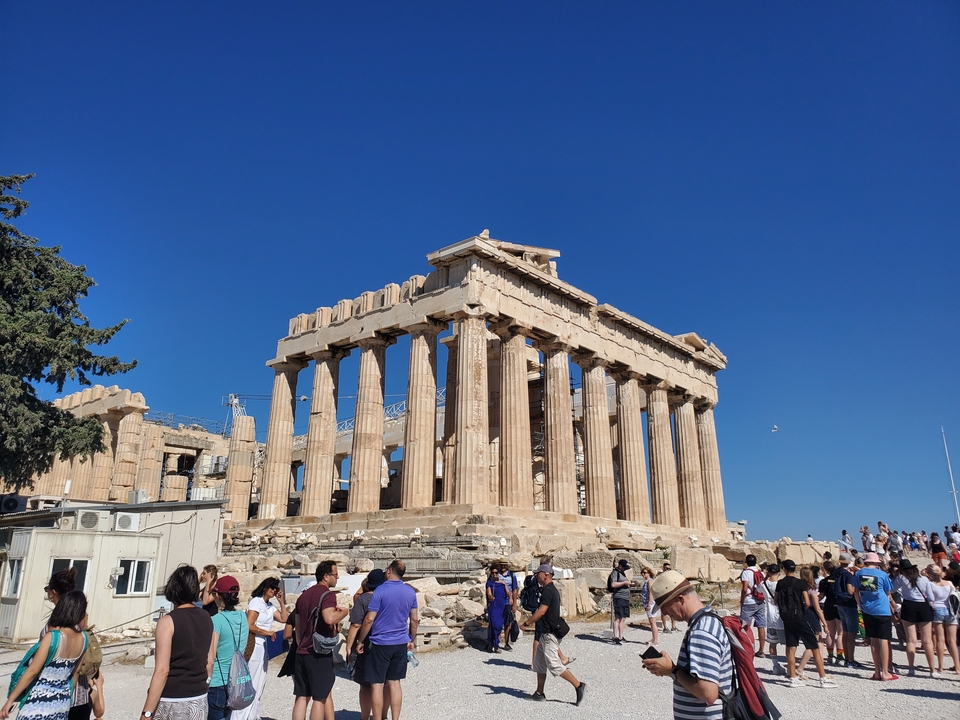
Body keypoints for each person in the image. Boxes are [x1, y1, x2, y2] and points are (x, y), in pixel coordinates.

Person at [641, 570, 733, 718]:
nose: (663, 613)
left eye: (665, 606)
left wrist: (672, 670)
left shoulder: (701, 631)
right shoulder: (708, 621)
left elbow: (708, 693)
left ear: (681, 599)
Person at [140, 566, 215, 720]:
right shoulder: (206, 618)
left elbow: (162, 670)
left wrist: (147, 713)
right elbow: (209, 661)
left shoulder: (167, 621)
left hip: (173, 698)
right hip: (199, 698)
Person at [2, 591, 89, 720]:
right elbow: (76, 672)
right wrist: (67, 696)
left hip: (38, 703)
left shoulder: (52, 638)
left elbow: (33, 671)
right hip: (62, 703)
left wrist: (10, 699)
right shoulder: (84, 639)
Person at [356, 560, 419, 720]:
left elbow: (369, 619)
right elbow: (414, 620)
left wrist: (361, 641)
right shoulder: (410, 592)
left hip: (380, 643)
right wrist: (411, 639)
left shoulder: (380, 591)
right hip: (400, 642)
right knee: (395, 682)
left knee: (377, 684)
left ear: (390, 570)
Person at [520, 563, 585, 705]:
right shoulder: (548, 590)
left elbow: (542, 611)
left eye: (538, 574)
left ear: (546, 575)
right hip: (544, 633)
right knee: (540, 663)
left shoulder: (549, 591)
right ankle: (539, 692)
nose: (536, 576)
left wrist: (526, 623)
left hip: (549, 633)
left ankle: (578, 685)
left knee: (554, 664)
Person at [293, 560, 348, 720]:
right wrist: (344, 613)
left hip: (302, 650)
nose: (337, 577)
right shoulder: (328, 595)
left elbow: (298, 626)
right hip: (318, 653)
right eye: (335, 574)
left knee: (302, 697)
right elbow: (329, 618)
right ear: (326, 576)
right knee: (320, 697)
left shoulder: (303, 596)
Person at [774, 560, 835, 688]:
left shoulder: (780, 583)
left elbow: (776, 600)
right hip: (800, 617)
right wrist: (801, 610)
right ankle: (822, 678)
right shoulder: (800, 583)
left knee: (791, 648)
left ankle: (793, 678)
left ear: (784, 569)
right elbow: (807, 602)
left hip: (787, 618)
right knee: (814, 646)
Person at [233, 577, 288, 720]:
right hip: (254, 644)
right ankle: (242, 715)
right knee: (251, 680)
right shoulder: (256, 602)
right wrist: (267, 632)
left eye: (276, 588)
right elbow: (249, 624)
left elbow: (283, 618)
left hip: (263, 646)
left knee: (260, 681)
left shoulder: (269, 606)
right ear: (265, 587)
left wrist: (281, 602)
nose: (274, 590)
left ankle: (253, 714)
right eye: (272, 587)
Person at [346, 570, 388, 720]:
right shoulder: (388, 597)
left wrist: (349, 645)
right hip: (388, 642)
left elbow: (356, 625)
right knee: (387, 684)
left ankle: (365, 718)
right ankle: (383, 716)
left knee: (365, 685)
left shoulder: (363, 599)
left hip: (368, 644)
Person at [208, 575, 249, 720]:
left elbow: (210, 658)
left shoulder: (216, 621)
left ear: (218, 595)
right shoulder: (243, 617)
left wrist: (206, 681)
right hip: (235, 681)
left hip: (217, 682)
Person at [854, 552, 897, 681]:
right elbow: (888, 591)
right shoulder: (882, 574)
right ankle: (885, 671)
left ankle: (877, 671)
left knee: (873, 641)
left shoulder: (859, 573)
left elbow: (856, 591)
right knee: (883, 640)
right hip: (882, 609)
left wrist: (860, 604)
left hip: (867, 608)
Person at [891, 558, 934, 677]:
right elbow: (930, 597)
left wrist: (895, 576)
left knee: (911, 639)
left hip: (909, 605)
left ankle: (911, 668)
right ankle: (932, 669)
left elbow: (891, 589)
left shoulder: (901, 578)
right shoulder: (924, 579)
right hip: (923, 606)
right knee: (927, 640)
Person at [795, 566, 830, 680]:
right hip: (811, 615)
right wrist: (825, 622)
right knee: (814, 643)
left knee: (818, 643)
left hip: (803, 614)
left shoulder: (800, 587)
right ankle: (800, 668)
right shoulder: (811, 589)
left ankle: (821, 670)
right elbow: (817, 608)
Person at [926, 564, 959, 677]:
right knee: (952, 641)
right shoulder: (949, 583)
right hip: (950, 610)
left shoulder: (930, 584)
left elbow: (930, 599)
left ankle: (940, 667)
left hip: (937, 609)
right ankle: (958, 667)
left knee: (940, 640)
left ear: (930, 574)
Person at [832, 553, 861, 668]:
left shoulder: (836, 572)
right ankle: (851, 659)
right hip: (849, 603)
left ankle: (847, 658)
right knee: (852, 632)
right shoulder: (848, 575)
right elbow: (850, 591)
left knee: (845, 632)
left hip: (839, 603)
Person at [738, 555, 767, 658]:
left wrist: (742, 600)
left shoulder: (746, 572)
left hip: (749, 601)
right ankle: (761, 650)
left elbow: (745, 588)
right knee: (761, 626)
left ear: (746, 562)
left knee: (745, 626)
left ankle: (746, 648)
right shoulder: (761, 572)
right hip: (760, 601)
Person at [818, 561, 842, 666]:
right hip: (839, 605)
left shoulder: (824, 581)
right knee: (840, 633)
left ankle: (831, 655)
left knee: (830, 633)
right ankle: (840, 657)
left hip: (829, 605)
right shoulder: (839, 579)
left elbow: (821, 596)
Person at [485, 567, 510, 653]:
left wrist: (510, 597)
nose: (495, 574)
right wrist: (491, 597)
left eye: (496, 573)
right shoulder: (489, 583)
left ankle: (496, 645)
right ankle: (491, 643)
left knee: (499, 626)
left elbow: (508, 592)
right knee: (494, 625)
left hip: (501, 606)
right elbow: (489, 593)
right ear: (491, 574)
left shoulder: (502, 583)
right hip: (494, 606)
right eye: (493, 573)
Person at [608, 559, 633, 645]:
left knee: (623, 618)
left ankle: (621, 636)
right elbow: (613, 584)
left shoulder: (622, 573)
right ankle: (615, 636)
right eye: (624, 567)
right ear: (620, 566)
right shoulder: (615, 573)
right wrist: (625, 582)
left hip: (625, 598)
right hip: (619, 597)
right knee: (618, 617)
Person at [498, 562, 519, 651]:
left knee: (507, 623)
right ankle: (496, 643)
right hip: (498, 602)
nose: (503, 566)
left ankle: (506, 643)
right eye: (501, 565)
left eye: (505, 565)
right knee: (498, 623)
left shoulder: (512, 575)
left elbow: (514, 590)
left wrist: (514, 604)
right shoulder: (496, 574)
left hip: (508, 602)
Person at [638, 567, 660, 647]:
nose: (643, 574)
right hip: (649, 603)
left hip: (651, 603)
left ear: (649, 573)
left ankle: (656, 640)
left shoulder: (649, 581)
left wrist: (649, 604)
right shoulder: (647, 581)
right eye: (642, 573)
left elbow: (651, 593)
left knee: (653, 622)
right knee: (651, 622)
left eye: (645, 572)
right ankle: (653, 638)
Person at [661, 563, 679, 634]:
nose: (668, 570)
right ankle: (665, 627)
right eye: (666, 568)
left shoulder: (671, 576)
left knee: (673, 611)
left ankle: (673, 627)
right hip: (664, 595)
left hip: (671, 595)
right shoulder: (661, 577)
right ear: (663, 568)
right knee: (664, 612)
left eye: (669, 569)